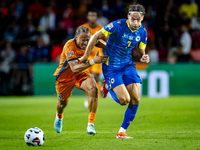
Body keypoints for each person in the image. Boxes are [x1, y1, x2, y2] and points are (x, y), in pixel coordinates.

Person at [80, 4, 150, 138]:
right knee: (124, 100)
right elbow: (95, 37)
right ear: (128, 16)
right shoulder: (117, 25)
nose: (135, 23)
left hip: (128, 65)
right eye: (133, 19)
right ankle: (107, 85)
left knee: (135, 99)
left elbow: (142, 50)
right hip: (111, 66)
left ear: (142, 19)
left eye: (138, 20)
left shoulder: (143, 32)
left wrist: (144, 56)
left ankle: (122, 131)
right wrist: (84, 56)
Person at [53, 26, 108, 135]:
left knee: (93, 89)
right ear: (76, 37)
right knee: (63, 103)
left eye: (88, 40)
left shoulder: (89, 40)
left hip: (81, 73)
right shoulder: (70, 46)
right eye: (83, 40)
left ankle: (90, 124)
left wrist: (112, 48)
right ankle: (59, 117)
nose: (86, 43)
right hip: (65, 77)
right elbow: (73, 68)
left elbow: (99, 42)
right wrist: (93, 62)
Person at [80, 9, 107, 108]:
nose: (92, 18)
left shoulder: (101, 29)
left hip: (97, 55)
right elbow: (77, 42)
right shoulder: (82, 28)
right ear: (88, 17)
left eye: (94, 16)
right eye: (90, 16)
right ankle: (88, 97)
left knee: (96, 76)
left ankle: (95, 99)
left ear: (96, 17)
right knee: (86, 78)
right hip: (86, 56)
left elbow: (107, 42)